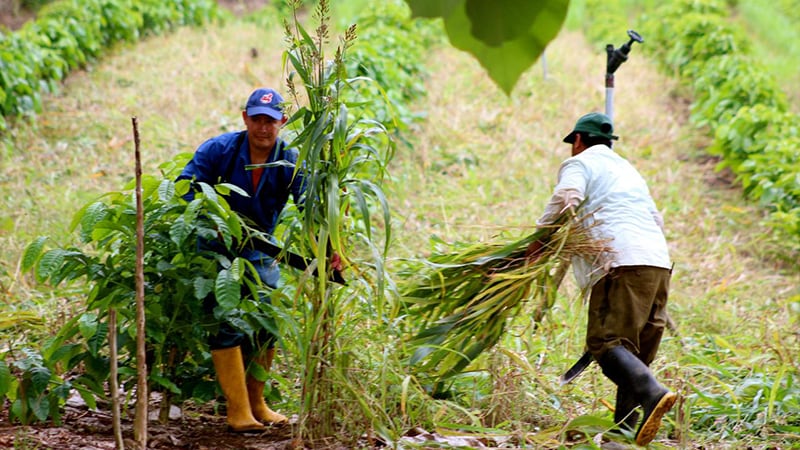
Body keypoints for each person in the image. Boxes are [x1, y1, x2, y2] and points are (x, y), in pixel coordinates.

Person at [528, 112, 677, 446]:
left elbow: (567, 198)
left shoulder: (580, 163)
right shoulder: (629, 170)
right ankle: (625, 428)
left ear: (578, 140)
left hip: (619, 262)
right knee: (633, 351)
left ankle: (653, 393)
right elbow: (655, 217)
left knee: (605, 343)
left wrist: (536, 243)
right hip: (656, 261)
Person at [178, 87, 303, 432]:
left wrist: (328, 240)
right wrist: (215, 219)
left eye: (271, 121)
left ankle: (258, 403)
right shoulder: (219, 149)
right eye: (257, 119)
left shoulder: (289, 159)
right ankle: (237, 411)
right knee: (225, 320)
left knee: (266, 322)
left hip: (261, 249)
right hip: (216, 247)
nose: (263, 128)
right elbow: (186, 185)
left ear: (282, 122)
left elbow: (308, 201)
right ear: (245, 117)